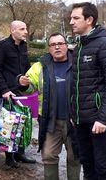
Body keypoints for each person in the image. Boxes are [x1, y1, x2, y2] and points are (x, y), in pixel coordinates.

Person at [69, 2, 106, 180]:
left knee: (104, 167)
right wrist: (73, 113)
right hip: (81, 120)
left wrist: (103, 118)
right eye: (71, 18)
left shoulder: (105, 45)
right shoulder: (78, 48)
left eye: (76, 18)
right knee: (88, 164)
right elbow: (78, 84)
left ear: (89, 20)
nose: (71, 22)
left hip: (99, 121)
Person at [18, 33, 80, 180]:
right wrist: (22, 84)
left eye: (60, 43)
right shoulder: (40, 66)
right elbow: (29, 87)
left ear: (67, 45)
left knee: (75, 156)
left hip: (75, 122)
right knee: (48, 155)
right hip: (50, 122)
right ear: (49, 48)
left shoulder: (78, 63)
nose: (57, 47)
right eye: (53, 45)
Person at [0, 20, 36, 167]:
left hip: (21, 92)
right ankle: (9, 159)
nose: (26, 32)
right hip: (7, 92)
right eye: (22, 29)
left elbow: (27, 67)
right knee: (8, 125)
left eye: (26, 29)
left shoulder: (23, 47)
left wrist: (30, 81)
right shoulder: (2, 47)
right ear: (13, 31)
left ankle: (20, 154)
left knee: (23, 123)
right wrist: (4, 90)